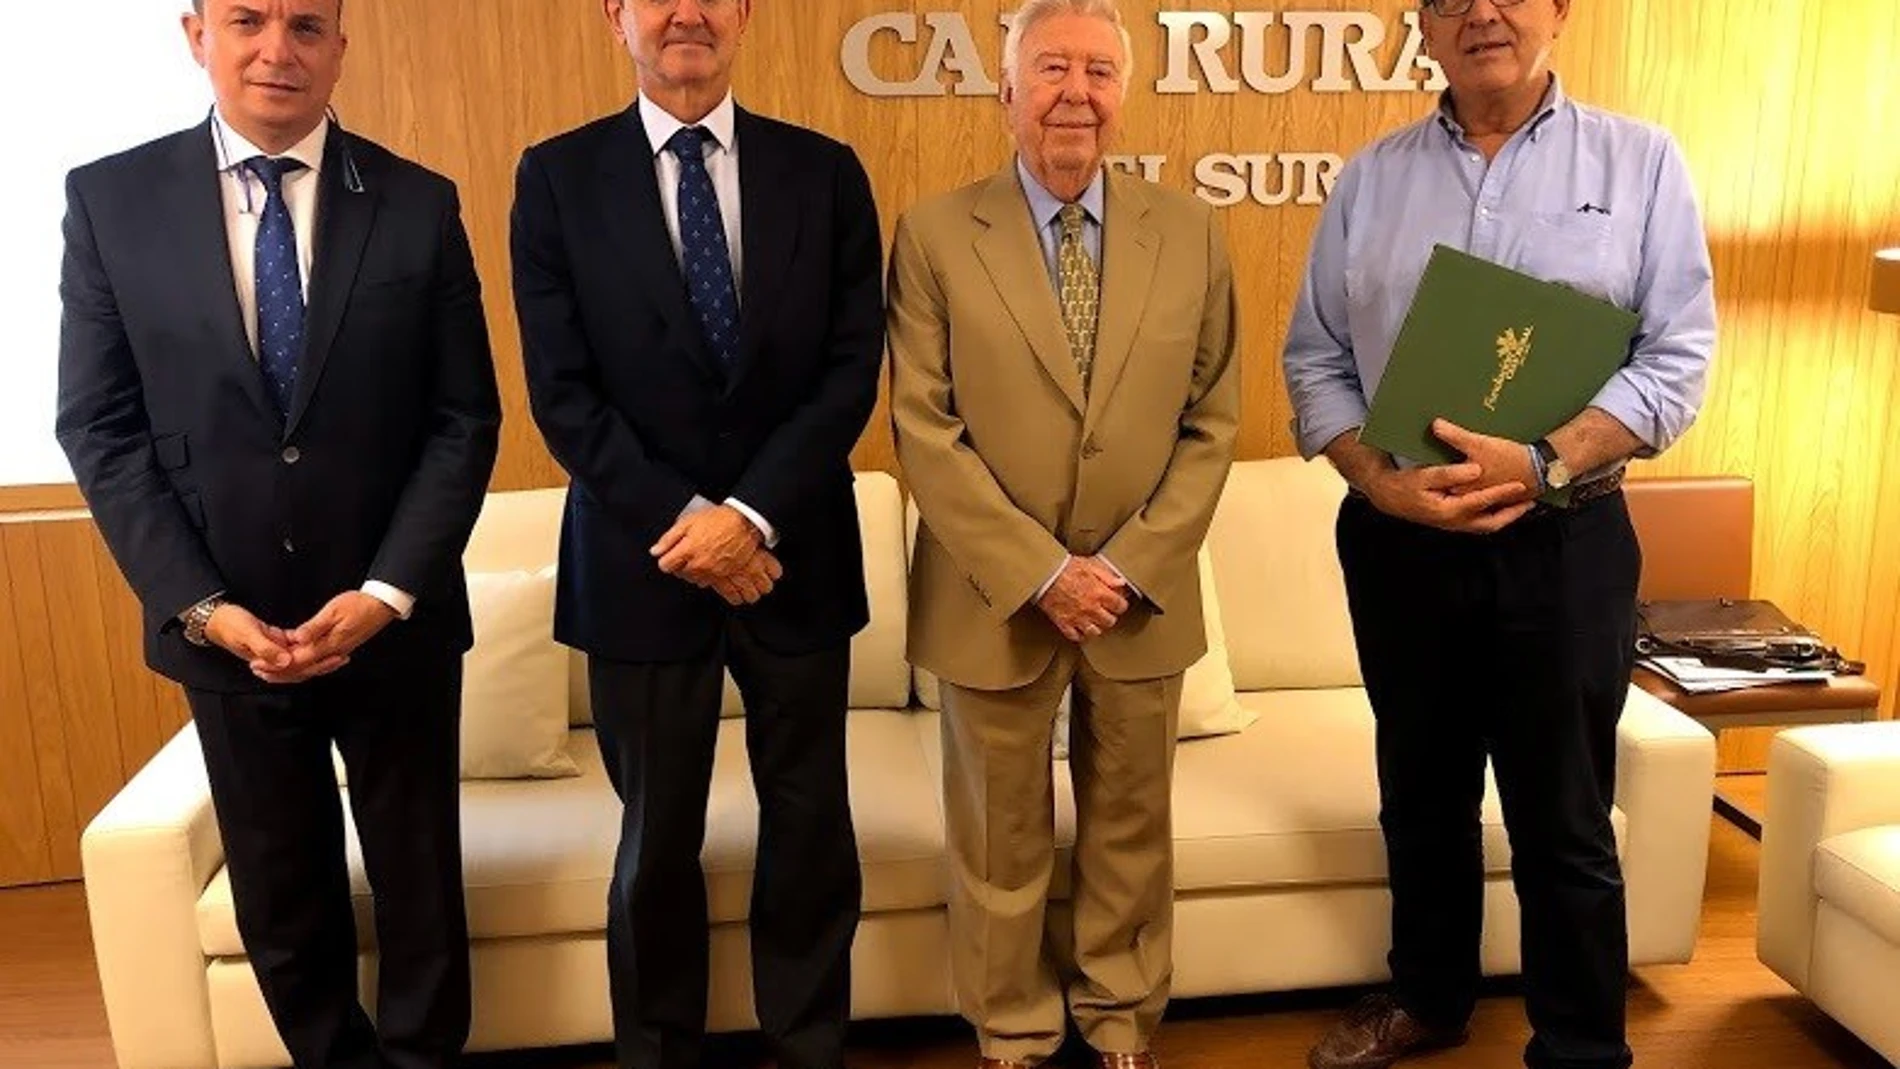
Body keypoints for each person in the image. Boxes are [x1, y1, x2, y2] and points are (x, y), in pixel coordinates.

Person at [54, 1, 501, 1067]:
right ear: (195, 34)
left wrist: (388, 591)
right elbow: (98, 425)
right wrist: (203, 606)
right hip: (227, 624)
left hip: (392, 626)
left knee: (419, 886)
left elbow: (462, 419)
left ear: (339, 47)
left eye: (307, 24)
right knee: (282, 894)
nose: (276, 49)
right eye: (247, 19)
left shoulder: (417, 202)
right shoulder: (111, 200)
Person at [1281, 1, 1717, 1067]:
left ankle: (1577, 1044)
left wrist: (1546, 458)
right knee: (1418, 793)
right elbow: (1313, 360)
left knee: (1563, 813)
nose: (1481, 11)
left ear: (1557, 10)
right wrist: (1376, 484)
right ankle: (1428, 997)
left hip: (1564, 538)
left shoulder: (1641, 162)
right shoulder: (1371, 177)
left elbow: (1676, 359)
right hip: (1401, 540)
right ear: (1419, 26)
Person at [509, 2, 885, 1068]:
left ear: (745, 15)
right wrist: (692, 524)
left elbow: (849, 370)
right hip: (640, 562)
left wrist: (751, 515)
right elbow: (563, 395)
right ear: (615, 17)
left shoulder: (824, 171)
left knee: (810, 821)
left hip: (793, 552)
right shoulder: (556, 178)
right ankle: (658, 1049)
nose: (687, 11)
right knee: (655, 835)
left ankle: (809, 1042)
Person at [887, 2, 1240, 1067]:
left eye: (1095, 70)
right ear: (1005, 92)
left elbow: (1213, 420)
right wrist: (1042, 571)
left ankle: (1121, 1021)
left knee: (1131, 832)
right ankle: (1012, 1030)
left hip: (1141, 596)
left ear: (1122, 95)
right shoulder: (936, 233)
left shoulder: (1189, 230)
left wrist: (1123, 567)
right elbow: (922, 427)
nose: (1074, 91)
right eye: (1050, 69)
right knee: (999, 840)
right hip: (992, 596)